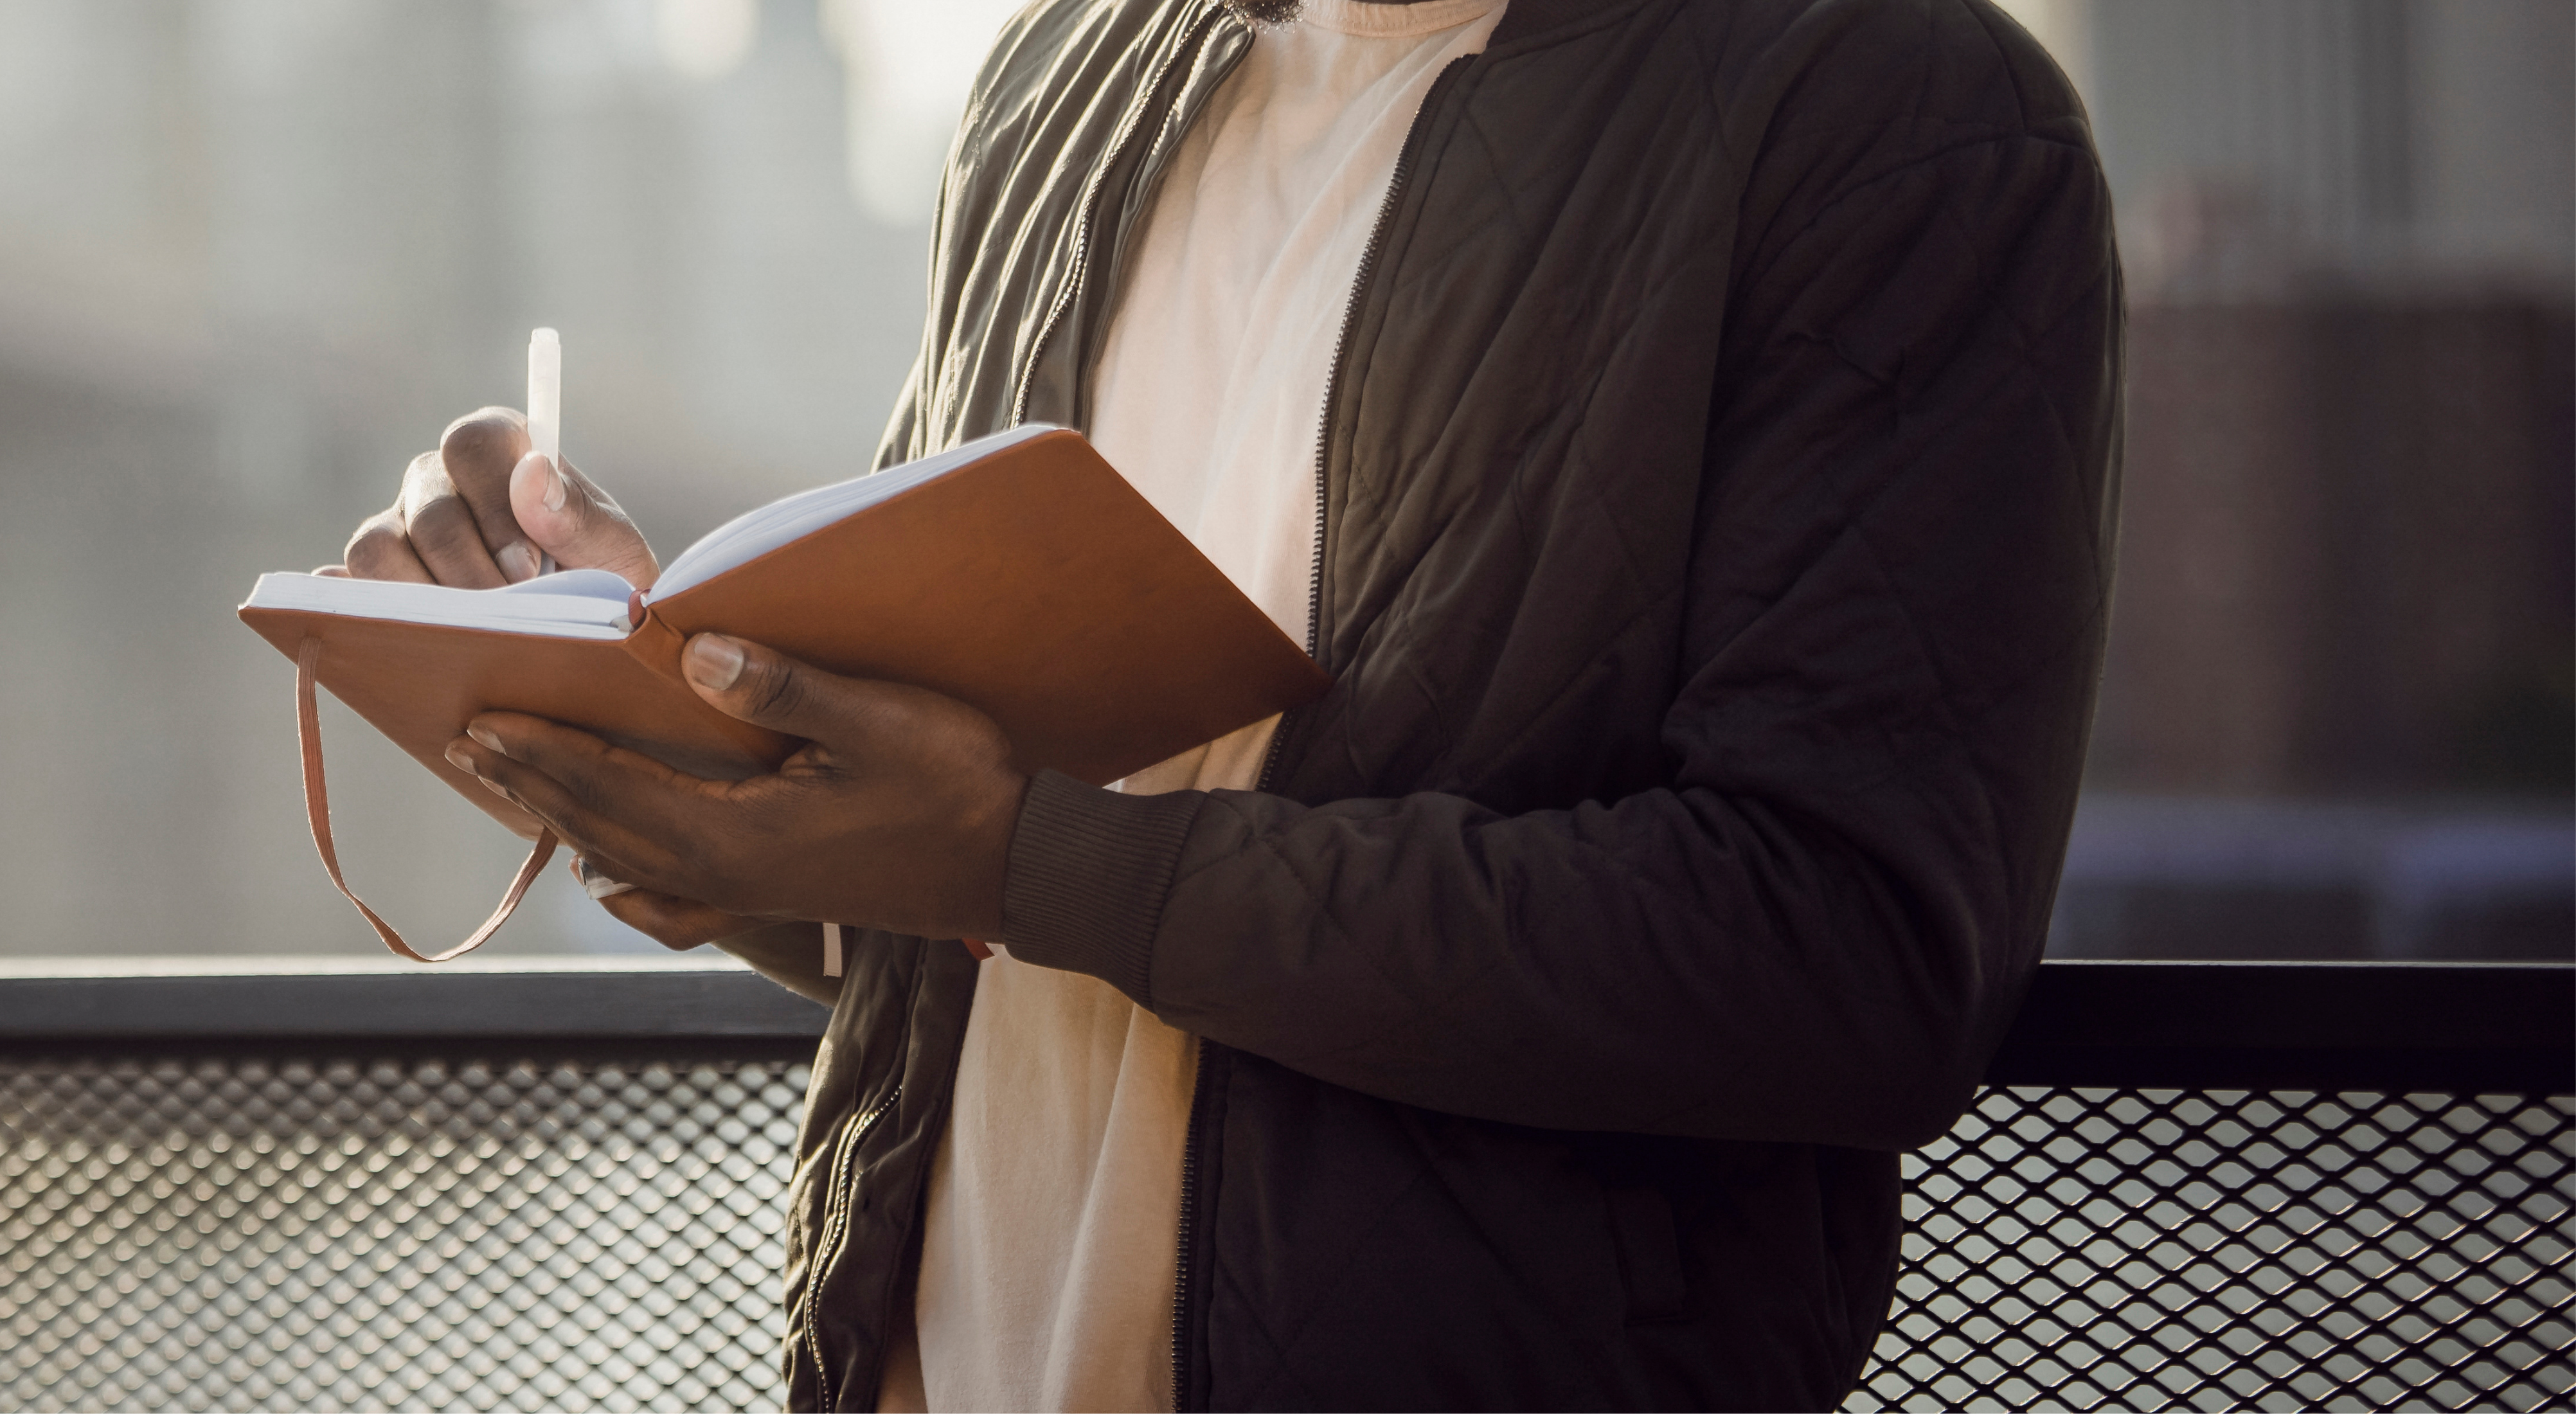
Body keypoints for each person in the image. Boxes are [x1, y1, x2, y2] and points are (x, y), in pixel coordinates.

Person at [332, 0, 2120, 1405]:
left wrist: (1035, 866)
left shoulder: (1900, 114)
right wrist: (675, 743)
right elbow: (963, 889)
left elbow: (1847, 961)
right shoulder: (1065, 77)